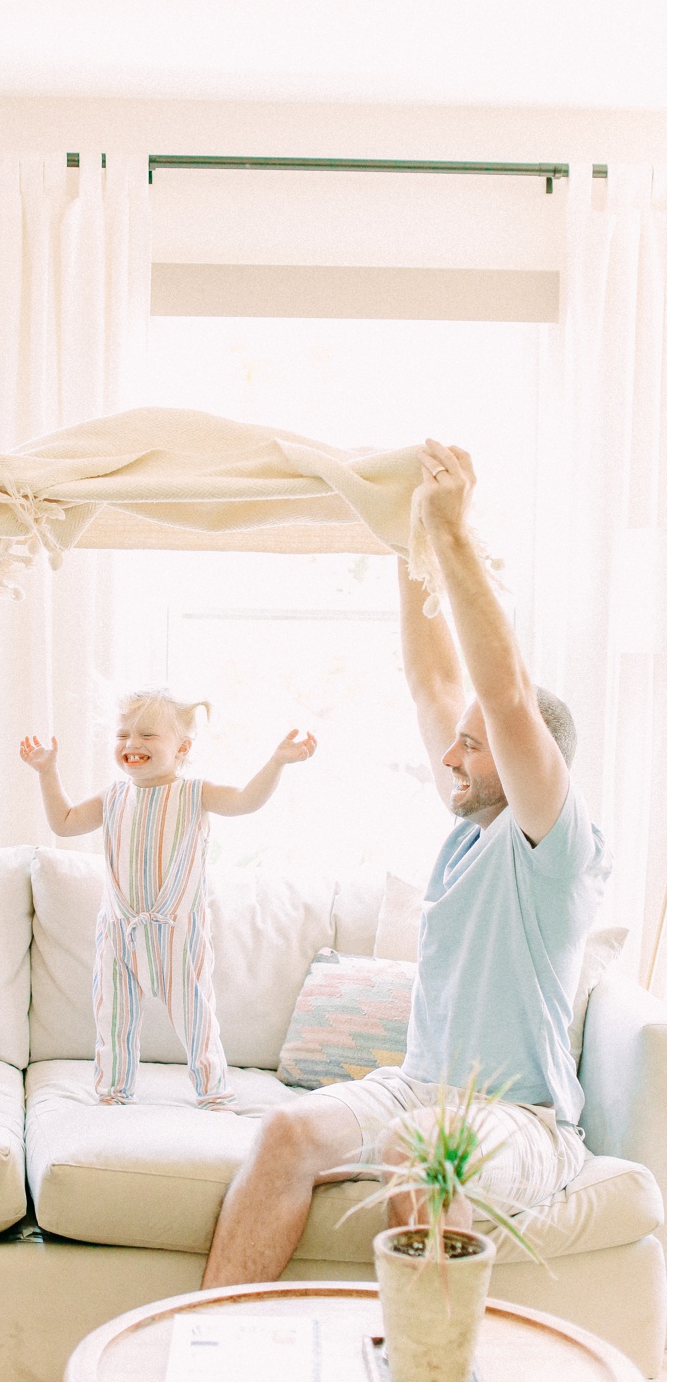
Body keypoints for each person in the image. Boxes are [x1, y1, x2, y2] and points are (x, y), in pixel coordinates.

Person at [202, 439, 610, 1288]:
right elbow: (437, 683)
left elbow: (502, 691)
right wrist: (405, 539)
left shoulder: (555, 846)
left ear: (529, 758)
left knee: (421, 1150)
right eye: (455, 745)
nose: (452, 758)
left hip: (518, 1120)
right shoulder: (466, 821)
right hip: (416, 1086)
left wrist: (452, 533)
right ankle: (217, 1343)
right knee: (282, 1133)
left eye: (475, 747)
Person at [20, 690, 317, 1108]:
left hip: (177, 932)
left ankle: (213, 1091)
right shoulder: (113, 797)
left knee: (195, 1013)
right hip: (120, 930)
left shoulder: (195, 793)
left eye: (146, 734)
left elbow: (246, 801)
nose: (130, 743)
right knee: (113, 1015)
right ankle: (112, 1090)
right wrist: (47, 772)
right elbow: (64, 823)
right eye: (122, 734)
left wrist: (277, 762)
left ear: (182, 749)